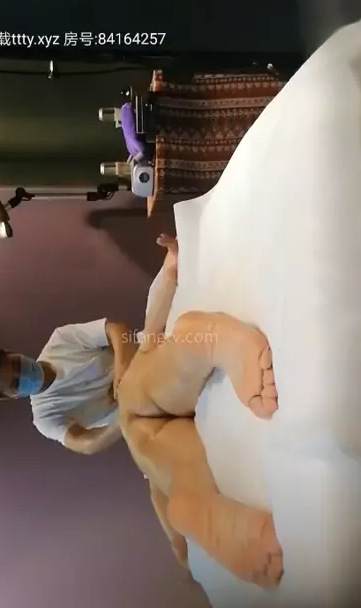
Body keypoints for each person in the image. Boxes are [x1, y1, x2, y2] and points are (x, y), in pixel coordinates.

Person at [115, 251, 284, 587]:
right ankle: (196, 343)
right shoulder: (138, 362)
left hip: (143, 418)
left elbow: (146, 330)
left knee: (177, 476)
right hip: (146, 402)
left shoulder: (138, 441)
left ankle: (189, 504)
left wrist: (178, 548)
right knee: (170, 367)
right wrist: (169, 272)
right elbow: (151, 326)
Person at [0, 234, 178, 456]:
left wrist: (123, 369)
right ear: (8, 397)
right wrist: (128, 409)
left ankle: (174, 260)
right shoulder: (46, 417)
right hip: (151, 404)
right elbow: (86, 444)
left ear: (11, 352)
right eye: (16, 383)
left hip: (148, 350)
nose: (23, 374)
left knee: (158, 317)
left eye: (17, 365)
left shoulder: (61, 341)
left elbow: (116, 330)